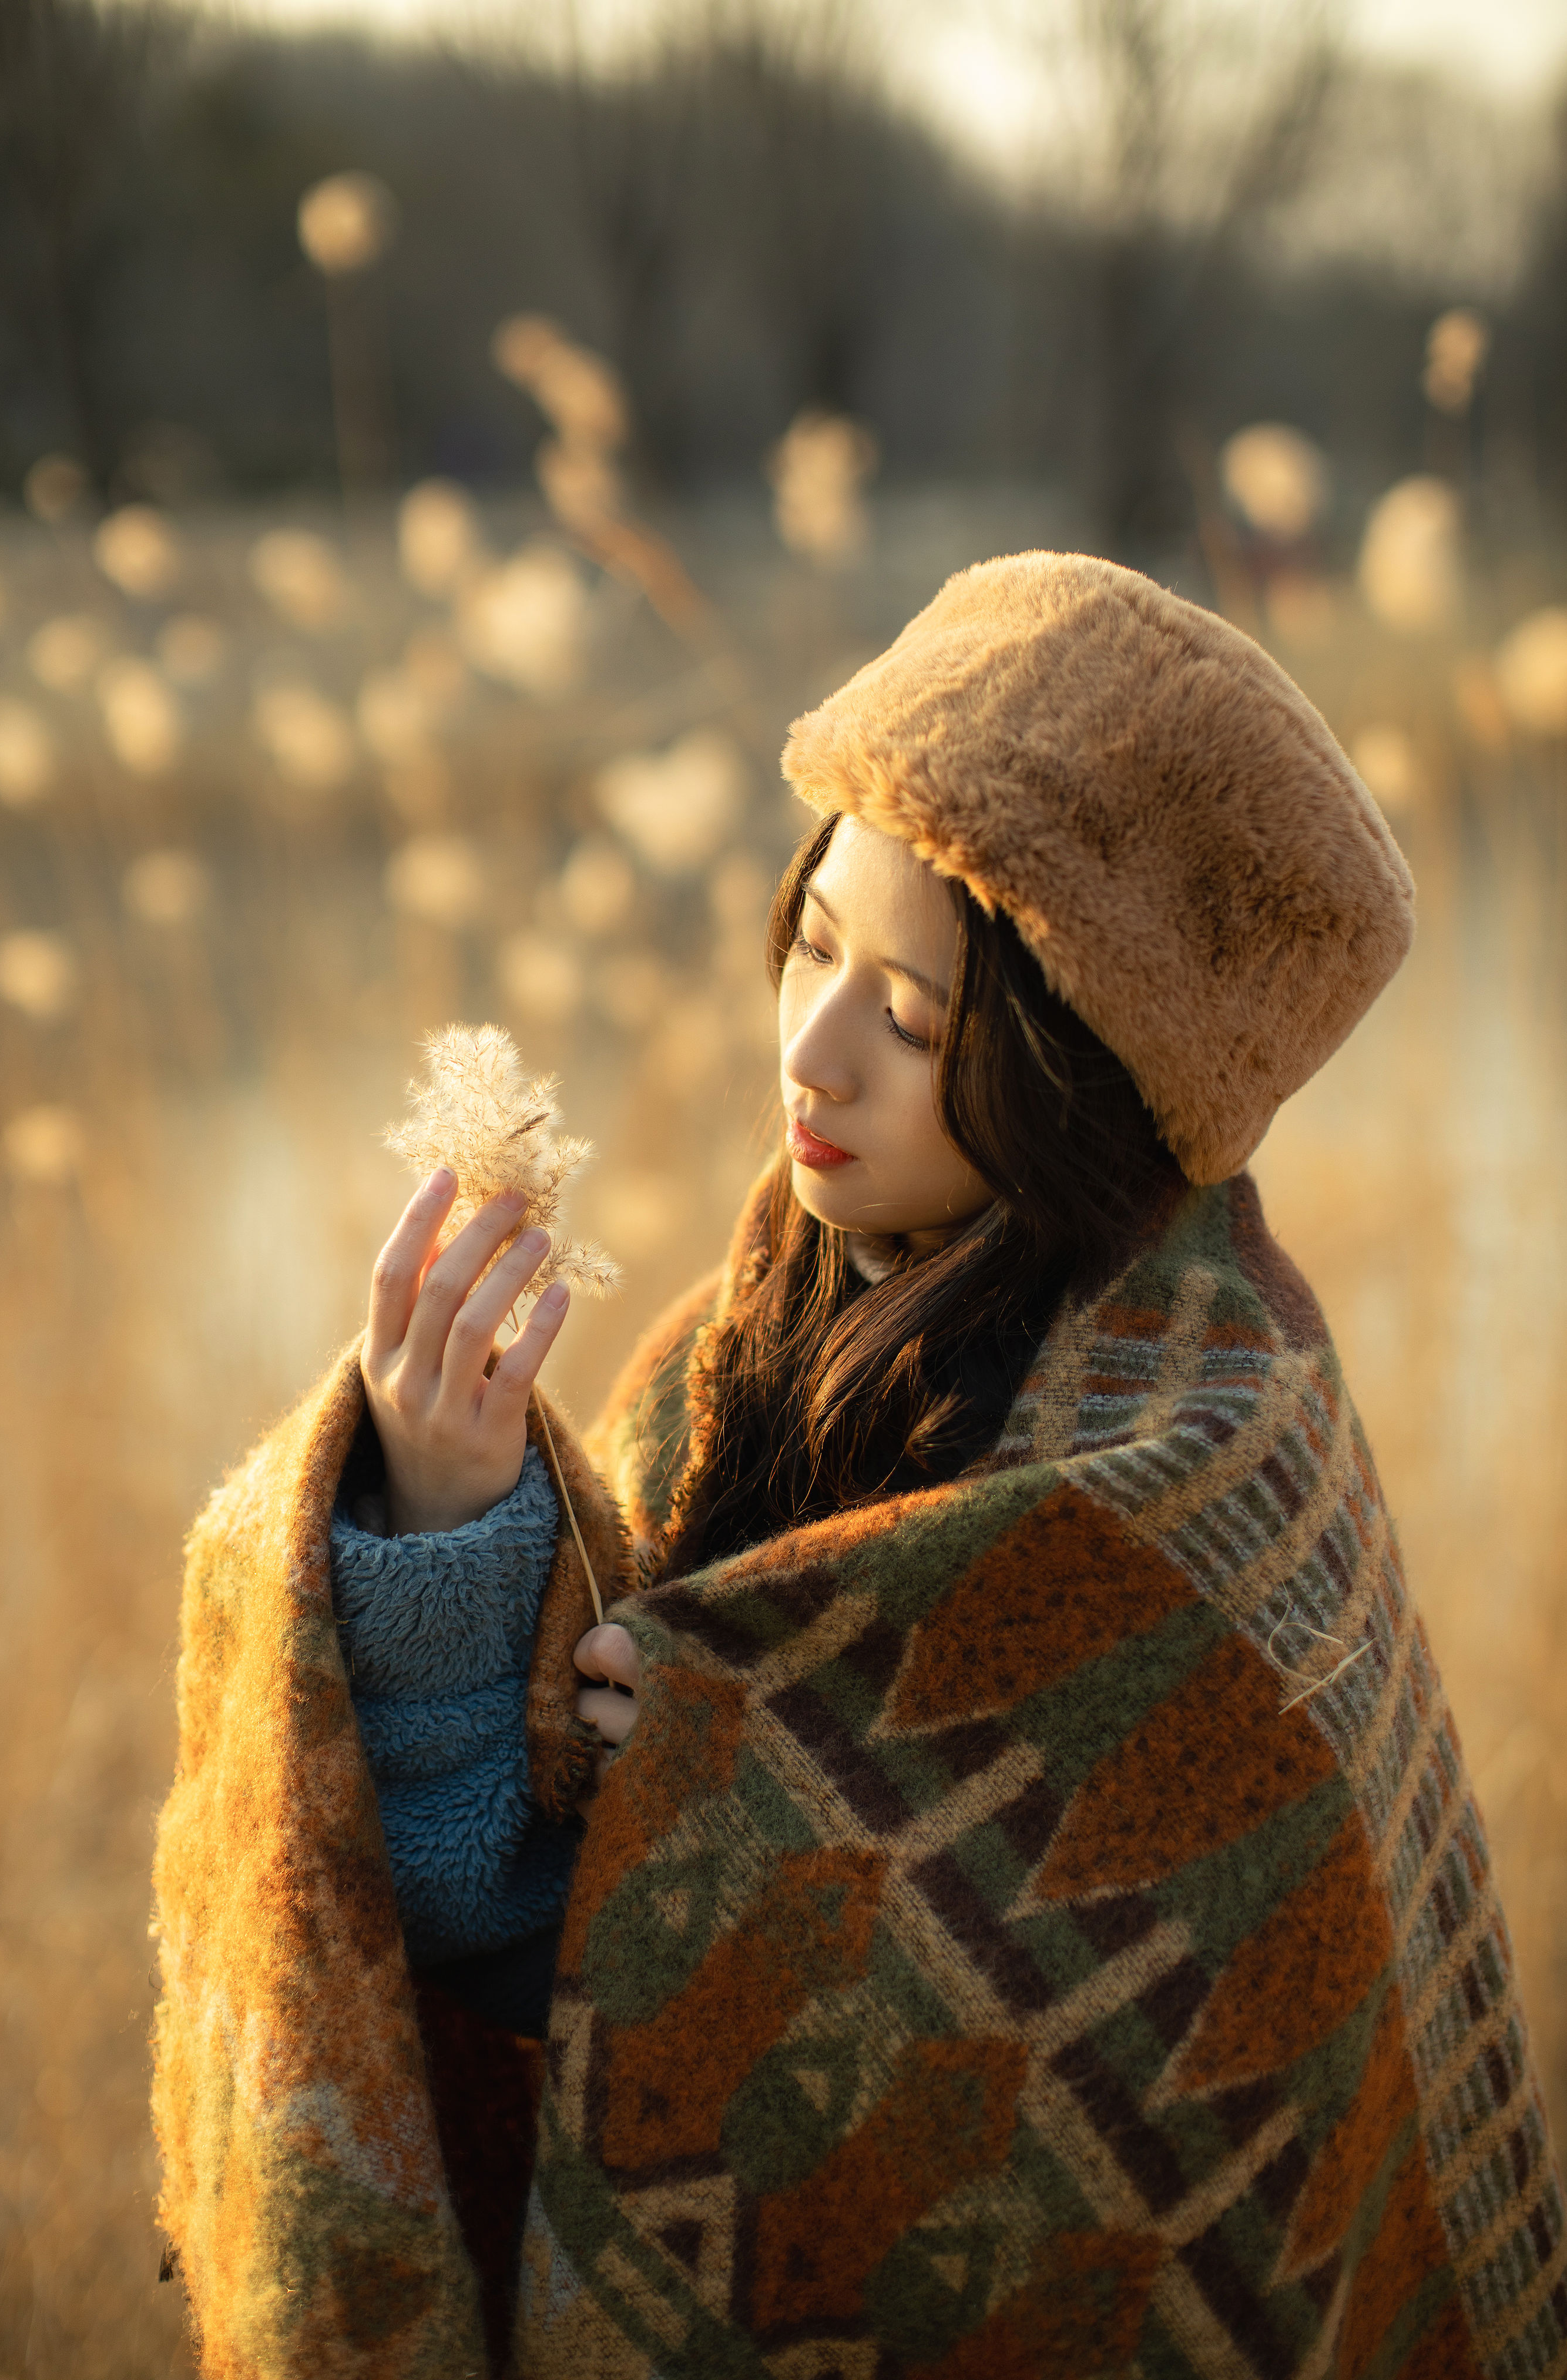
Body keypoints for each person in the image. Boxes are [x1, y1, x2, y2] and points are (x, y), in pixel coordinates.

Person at [152, 553, 1567, 2380]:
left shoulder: (1201, 1499)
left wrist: (743, 1805)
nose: (809, 1049)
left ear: (1087, 1073)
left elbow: (1120, 2197)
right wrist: (450, 1515)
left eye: (909, 1015)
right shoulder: (749, 1339)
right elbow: (542, 1990)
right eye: (812, 943)